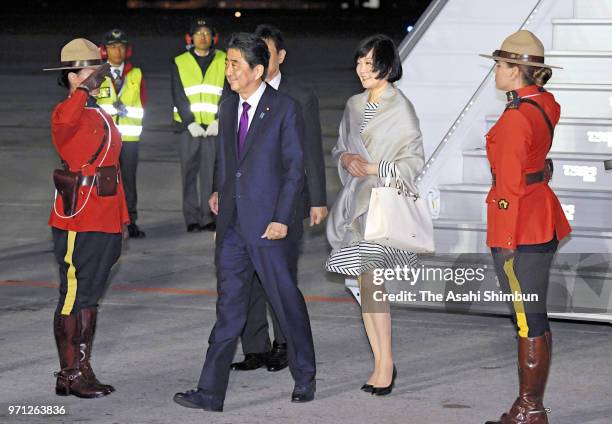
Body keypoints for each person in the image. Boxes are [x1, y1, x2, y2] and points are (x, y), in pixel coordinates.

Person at [173, 32, 316, 412]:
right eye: (227, 63)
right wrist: (220, 189)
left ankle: (305, 376)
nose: (228, 69)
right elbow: (228, 158)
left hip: (269, 226)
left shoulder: (284, 108)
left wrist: (283, 219)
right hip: (233, 226)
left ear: (257, 69)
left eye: (235, 63)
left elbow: (294, 170)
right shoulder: (226, 106)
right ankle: (210, 391)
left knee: (285, 303)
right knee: (229, 310)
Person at [480, 30, 571, 424]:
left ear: (516, 71)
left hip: (520, 227)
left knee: (526, 317)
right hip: (540, 218)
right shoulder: (543, 103)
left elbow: (509, 188)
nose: (495, 72)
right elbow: (532, 163)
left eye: (500, 66)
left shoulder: (517, 118)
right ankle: (530, 405)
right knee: (532, 315)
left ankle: (529, 409)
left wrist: (504, 241)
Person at [325, 34, 424, 396]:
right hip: (355, 206)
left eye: (370, 63)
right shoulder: (354, 104)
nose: (363, 70)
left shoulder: (401, 109)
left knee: (371, 285)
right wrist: (346, 160)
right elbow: (341, 148)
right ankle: (383, 360)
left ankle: (384, 365)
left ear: (387, 66)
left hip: (382, 206)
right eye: (359, 62)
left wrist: (373, 168)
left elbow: (413, 164)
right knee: (362, 285)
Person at [230, 24, 328, 373]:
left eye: (266, 52)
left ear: (279, 57)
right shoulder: (236, 95)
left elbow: (311, 151)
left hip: (283, 205)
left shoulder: (298, 96)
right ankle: (254, 347)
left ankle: (285, 344)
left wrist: (317, 198)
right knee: (249, 282)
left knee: (279, 278)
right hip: (247, 205)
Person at [44, 38, 130, 398]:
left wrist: (122, 220)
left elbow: (112, 168)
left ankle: (82, 366)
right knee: (73, 297)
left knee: (90, 296)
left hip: (105, 215)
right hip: (79, 218)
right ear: (72, 76)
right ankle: (68, 374)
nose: (99, 75)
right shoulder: (67, 111)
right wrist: (82, 88)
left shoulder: (97, 110)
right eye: (89, 70)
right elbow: (64, 122)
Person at [171, 17, 227, 233]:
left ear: (213, 37)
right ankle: (192, 217)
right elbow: (178, 94)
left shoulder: (224, 59)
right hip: (188, 129)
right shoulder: (179, 61)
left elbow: (229, 90)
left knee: (210, 174)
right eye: (198, 33)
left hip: (214, 127)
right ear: (190, 38)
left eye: (206, 33)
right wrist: (190, 122)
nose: (202, 37)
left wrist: (219, 119)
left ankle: (209, 216)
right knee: (189, 174)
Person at [97, 28, 147, 238]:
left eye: (121, 46)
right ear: (104, 51)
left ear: (127, 50)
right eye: (112, 47)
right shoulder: (96, 75)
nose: (117, 51)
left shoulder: (136, 74)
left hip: (129, 138)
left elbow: (142, 103)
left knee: (128, 181)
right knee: (106, 180)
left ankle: (130, 220)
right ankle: (106, 220)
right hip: (105, 140)